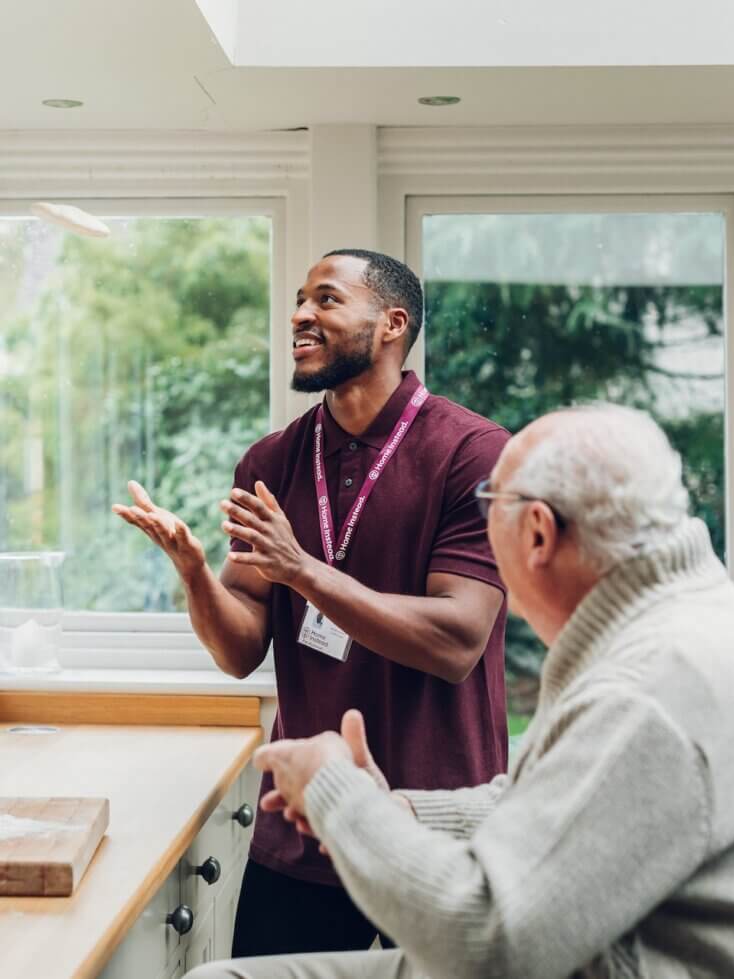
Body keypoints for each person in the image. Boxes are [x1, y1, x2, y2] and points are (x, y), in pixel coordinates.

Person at [186, 403, 734, 979]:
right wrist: (406, 812)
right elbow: (567, 802)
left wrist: (338, 793)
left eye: (486, 507)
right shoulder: (691, 621)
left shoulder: (648, 688)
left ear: (536, 532)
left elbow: (485, 943)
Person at [114, 249, 509, 957]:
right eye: (299, 299)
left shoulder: (474, 452)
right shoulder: (271, 462)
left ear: (391, 323)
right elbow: (239, 651)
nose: (300, 314)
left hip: (434, 837)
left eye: (326, 299)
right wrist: (197, 574)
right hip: (300, 838)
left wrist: (302, 569)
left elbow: (457, 642)